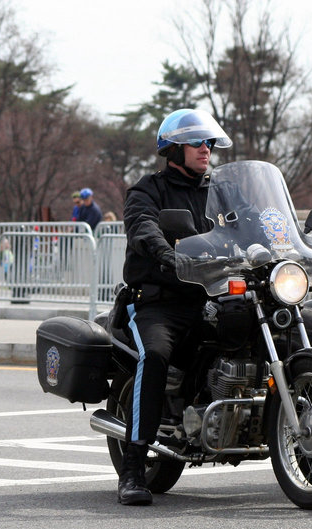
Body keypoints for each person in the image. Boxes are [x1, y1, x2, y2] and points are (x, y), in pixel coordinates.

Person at [117, 108, 232, 506]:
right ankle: (133, 466)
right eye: (198, 143)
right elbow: (142, 225)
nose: (207, 149)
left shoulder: (220, 190)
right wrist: (166, 253)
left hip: (211, 297)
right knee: (156, 356)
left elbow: (256, 221)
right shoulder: (147, 189)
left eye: (210, 143)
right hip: (160, 302)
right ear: (174, 148)